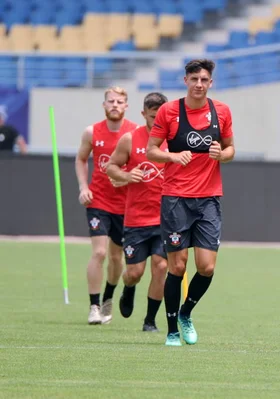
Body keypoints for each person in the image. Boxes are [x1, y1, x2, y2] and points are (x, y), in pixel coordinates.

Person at [146, 59, 235, 347]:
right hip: (175, 199)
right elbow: (151, 151)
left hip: (209, 198)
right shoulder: (168, 111)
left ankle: (186, 313)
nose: (199, 84)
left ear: (211, 83)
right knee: (177, 267)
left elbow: (232, 148)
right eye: (194, 78)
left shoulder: (221, 111)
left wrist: (222, 154)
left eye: (204, 79)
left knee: (207, 267)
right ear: (185, 81)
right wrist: (172, 156)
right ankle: (172, 330)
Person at [106, 92, 169, 332]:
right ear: (144, 114)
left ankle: (150, 321)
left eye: (161, 116)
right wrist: (126, 175)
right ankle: (129, 288)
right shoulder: (130, 139)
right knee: (134, 272)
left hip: (166, 219)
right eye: (153, 116)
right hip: (136, 220)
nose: (157, 120)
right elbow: (111, 167)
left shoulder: (174, 141)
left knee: (161, 267)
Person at [75, 86, 138, 325]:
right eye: (110, 101)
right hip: (99, 201)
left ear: (126, 106)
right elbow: (81, 158)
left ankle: (108, 299)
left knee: (115, 257)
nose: (115, 105)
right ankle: (93, 306)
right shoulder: (92, 132)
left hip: (126, 204)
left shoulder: (133, 133)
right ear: (104, 105)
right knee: (99, 252)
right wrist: (83, 187)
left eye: (119, 101)